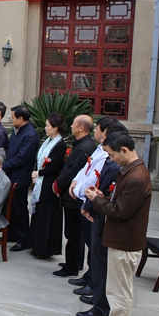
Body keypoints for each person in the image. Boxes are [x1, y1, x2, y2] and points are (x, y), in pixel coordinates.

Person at [84, 131, 152, 316]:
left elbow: (120, 211)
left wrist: (97, 200)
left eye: (113, 155)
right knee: (114, 287)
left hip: (125, 241)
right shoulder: (130, 171)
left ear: (124, 150)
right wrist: (103, 197)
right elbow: (119, 203)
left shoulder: (136, 178)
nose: (111, 160)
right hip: (119, 238)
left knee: (120, 290)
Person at [76, 121, 127, 316]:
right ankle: (98, 300)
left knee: (102, 264)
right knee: (97, 259)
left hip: (103, 217)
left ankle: (101, 306)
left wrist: (91, 203)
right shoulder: (110, 161)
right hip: (96, 211)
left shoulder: (117, 167)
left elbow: (107, 193)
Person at [68, 117, 115, 290]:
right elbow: (84, 170)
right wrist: (74, 183)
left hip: (92, 202)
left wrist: (78, 189)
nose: (94, 131)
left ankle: (94, 282)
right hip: (83, 197)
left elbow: (94, 179)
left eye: (97, 129)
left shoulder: (106, 155)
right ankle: (89, 275)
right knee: (90, 243)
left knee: (95, 246)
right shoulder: (97, 149)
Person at [53, 114, 96, 277]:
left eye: (73, 124)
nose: (70, 126)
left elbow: (73, 170)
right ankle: (74, 262)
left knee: (73, 232)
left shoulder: (85, 147)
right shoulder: (81, 144)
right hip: (71, 194)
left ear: (81, 128)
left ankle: (72, 266)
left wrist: (58, 185)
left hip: (74, 196)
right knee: (74, 231)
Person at [28, 113, 68, 258]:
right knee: (38, 214)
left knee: (47, 216)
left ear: (56, 128)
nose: (45, 128)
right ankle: (35, 244)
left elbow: (55, 166)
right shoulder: (47, 141)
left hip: (49, 184)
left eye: (47, 126)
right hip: (40, 182)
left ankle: (44, 248)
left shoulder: (60, 144)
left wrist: (39, 173)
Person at [3, 105, 39, 252]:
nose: (11, 120)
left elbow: (22, 158)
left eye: (13, 118)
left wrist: (5, 166)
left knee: (19, 208)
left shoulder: (30, 134)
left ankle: (23, 239)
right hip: (12, 173)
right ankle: (11, 233)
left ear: (21, 118)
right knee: (9, 206)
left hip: (21, 175)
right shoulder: (17, 130)